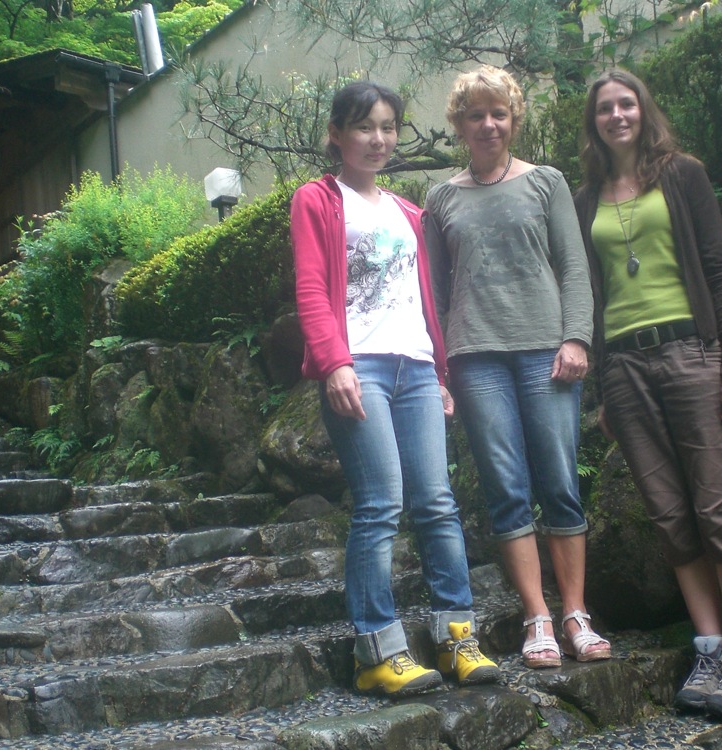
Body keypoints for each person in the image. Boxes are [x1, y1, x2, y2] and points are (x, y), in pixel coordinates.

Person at [290, 81, 501, 698]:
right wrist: (334, 364)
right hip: (360, 367)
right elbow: (310, 288)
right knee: (381, 503)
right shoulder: (317, 200)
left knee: (437, 502)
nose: (378, 139)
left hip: (414, 366)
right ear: (337, 135)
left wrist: (439, 374)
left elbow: (424, 300)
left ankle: (456, 637)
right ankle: (377, 650)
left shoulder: (411, 212)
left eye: (388, 127)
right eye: (364, 127)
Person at [573, 69, 722, 720]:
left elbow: (720, 271)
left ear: (643, 109)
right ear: (594, 121)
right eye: (606, 108)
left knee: (716, 506)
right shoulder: (586, 198)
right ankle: (709, 647)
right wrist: (604, 386)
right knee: (669, 515)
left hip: (693, 353)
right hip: (624, 368)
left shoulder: (683, 175)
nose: (618, 115)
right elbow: (592, 300)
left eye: (627, 103)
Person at [424, 65, 611, 669]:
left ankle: (576, 614)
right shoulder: (441, 198)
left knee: (558, 481)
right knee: (506, 490)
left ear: (514, 119)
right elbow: (435, 293)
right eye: (475, 115)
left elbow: (574, 266)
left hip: (545, 349)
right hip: (475, 357)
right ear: (459, 124)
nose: (487, 124)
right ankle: (537, 618)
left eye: (498, 113)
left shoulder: (546, 182)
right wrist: (440, 367)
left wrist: (577, 338)